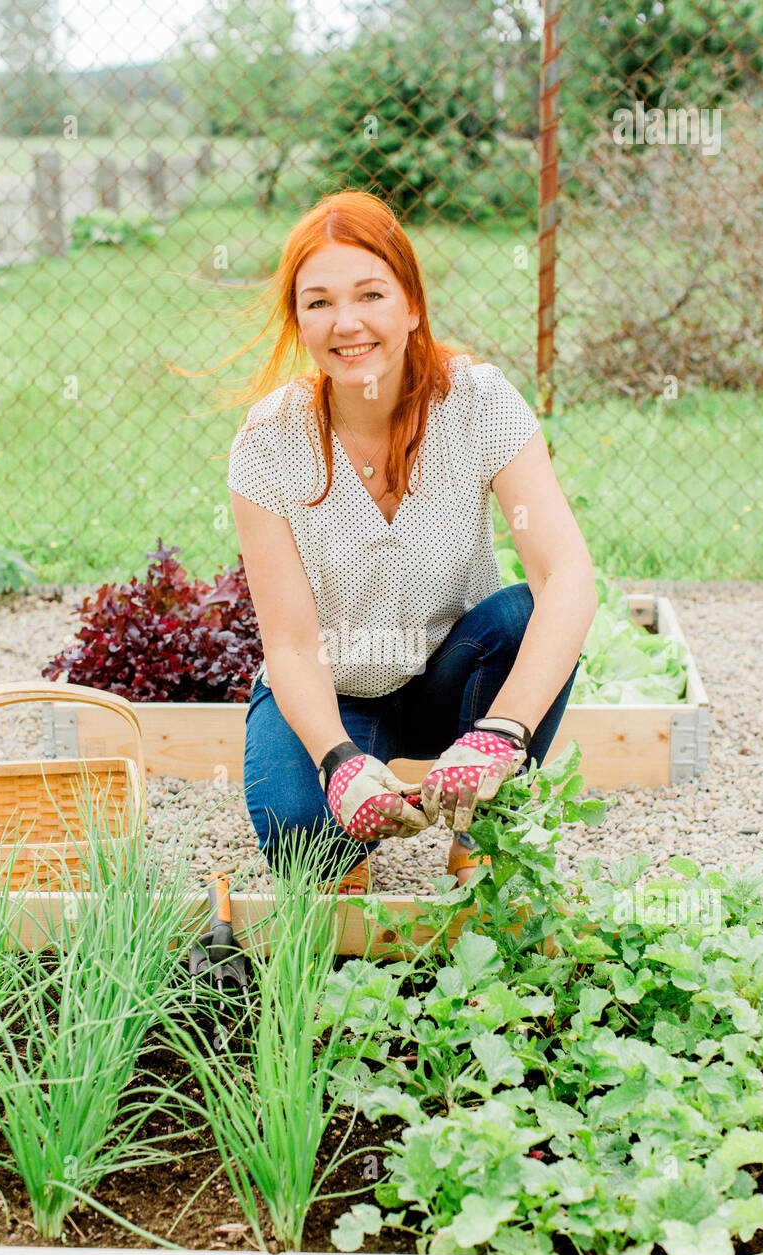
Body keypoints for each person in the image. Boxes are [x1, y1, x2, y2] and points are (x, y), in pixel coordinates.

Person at [223, 189, 597, 893]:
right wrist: (338, 762)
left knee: (523, 615)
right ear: (298, 318)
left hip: (451, 678)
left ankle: (484, 828)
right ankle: (350, 821)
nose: (347, 323)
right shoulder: (267, 444)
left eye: (370, 294)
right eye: (319, 302)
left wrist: (503, 734)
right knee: (306, 841)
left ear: (411, 305)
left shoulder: (478, 404)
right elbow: (294, 645)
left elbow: (569, 575)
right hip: (334, 691)